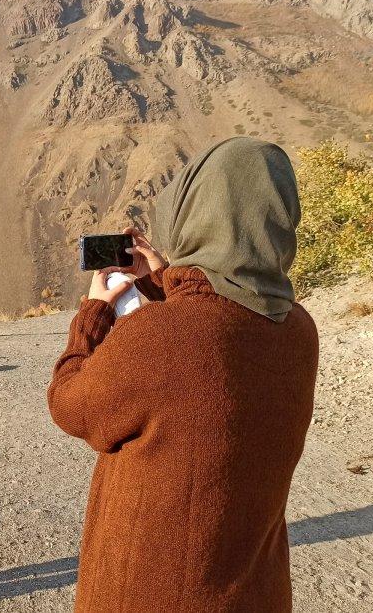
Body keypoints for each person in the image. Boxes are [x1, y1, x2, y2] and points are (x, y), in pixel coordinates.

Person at [47, 137, 319, 612]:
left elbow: (71, 406)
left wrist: (92, 314)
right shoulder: (297, 327)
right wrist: (165, 277)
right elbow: (214, 341)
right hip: (255, 590)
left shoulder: (162, 333)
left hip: (157, 592)